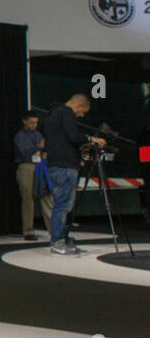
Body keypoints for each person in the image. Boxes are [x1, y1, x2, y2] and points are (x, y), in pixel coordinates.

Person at [40, 94, 106, 255]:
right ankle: (58, 242)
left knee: (63, 206)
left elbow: (58, 139)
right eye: (83, 112)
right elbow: (73, 136)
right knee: (63, 206)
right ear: (80, 106)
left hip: (56, 164)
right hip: (65, 166)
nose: (81, 116)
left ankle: (64, 240)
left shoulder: (51, 115)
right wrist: (93, 139)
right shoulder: (67, 112)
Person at [13, 110, 52, 240]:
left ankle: (54, 230)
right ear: (24, 122)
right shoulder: (20, 136)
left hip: (40, 166)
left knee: (46, 196)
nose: (34, 125)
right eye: (31, 123)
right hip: (26, 166)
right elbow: (24, 152)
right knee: (27, 199)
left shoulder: (38, 134)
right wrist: (38, 147)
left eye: (36, 123)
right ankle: (28, 231)